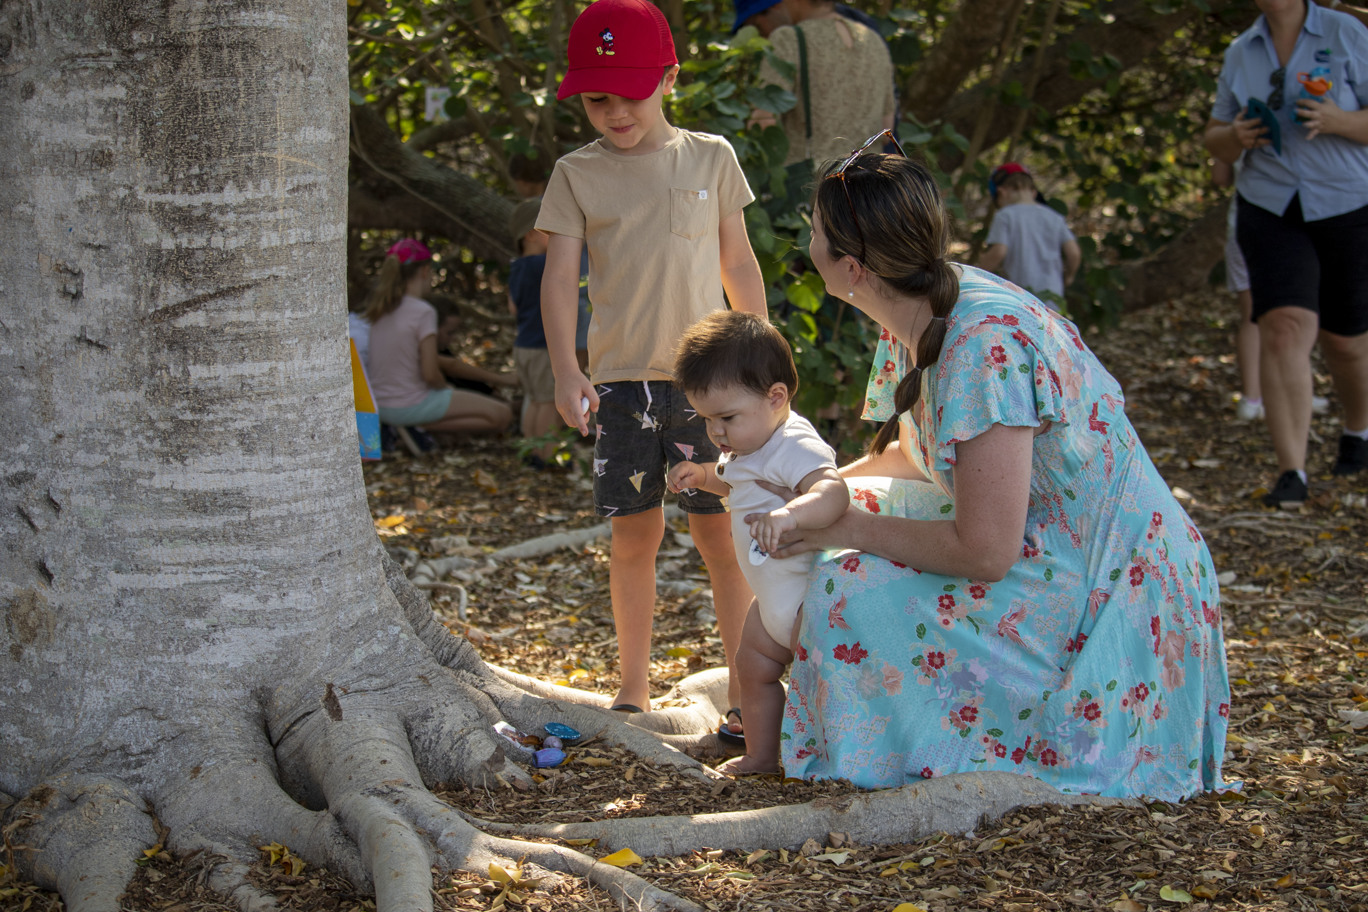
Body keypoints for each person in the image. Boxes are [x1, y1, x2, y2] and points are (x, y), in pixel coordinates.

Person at [761, 136, 1229, 799]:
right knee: (828, 556)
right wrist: (814, 493)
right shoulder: (921, 306)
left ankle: (906, 759)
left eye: (813, 233)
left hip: (1115, 590)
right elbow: (911, 458)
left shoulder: (985, 346)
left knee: (845, 588)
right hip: (1053, 549)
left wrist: (845, 529)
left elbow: (985, 551)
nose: (807, 244)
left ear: (852, 268)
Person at [537, 0, 768, 719]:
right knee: (634, 534)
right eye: (596, 99)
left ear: (669, 78)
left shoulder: (710, 157)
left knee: (720, 536)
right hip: (621, 383)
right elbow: (558, 277)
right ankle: (632, 688)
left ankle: (747, 688)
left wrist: (760, 362)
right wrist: (567, 369)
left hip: (713, 384)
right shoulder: (576, 173)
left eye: (629, 93)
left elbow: (738, 261)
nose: (614, 112)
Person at [666, 311, 848, 771]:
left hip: (810, 596)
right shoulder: (747, 448)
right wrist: (702, 476)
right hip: (771, 598)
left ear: (776, 397)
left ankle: (841, 755)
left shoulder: (792, 442)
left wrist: (791, 513)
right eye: (707, 420)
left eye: (727, 417)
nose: (716, 432)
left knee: (827, 680)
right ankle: (763, 754)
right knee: (751, 669)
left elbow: (833, 490)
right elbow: (734, 485)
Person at [1204, 0, 1368, 507]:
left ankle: (1358, 429)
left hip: (1347, 201)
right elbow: (1215, 138)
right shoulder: (1240, 52)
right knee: (1283, 327)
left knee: (1346, 342)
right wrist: (1234, 136)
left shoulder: (1347, 33)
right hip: (1269, 205)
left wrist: (1340, 120)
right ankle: (1291, 472)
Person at [364, 238, 515, 439]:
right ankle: (419, 427)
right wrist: (447, 389)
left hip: (380, 403)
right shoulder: (422, 311)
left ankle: (413, 427)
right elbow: (430, 373)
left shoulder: (379, 310)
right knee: (503, 415)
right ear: (425, 271)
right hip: (410, 402)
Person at [749, 0, 895, 171]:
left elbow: (763, 122)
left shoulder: (789, 39)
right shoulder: (873, 40)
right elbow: (887, 129)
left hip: (814, 185)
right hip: (867, 185)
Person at [977, 162, 1081, 312]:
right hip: (1052, 295)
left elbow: (998, 252)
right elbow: (1074, 252)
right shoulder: (1054, 217)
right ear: (1033, 192)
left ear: (1001, 192)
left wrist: (977, 274)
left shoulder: (1005, 216)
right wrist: (1069, 276)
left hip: (1020, 296)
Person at [506, 199, 563, 468]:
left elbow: (512, 306)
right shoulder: (543, 265)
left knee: (535, 400)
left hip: (523, 346)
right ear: (531, 234)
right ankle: (546, 455)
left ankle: (529, 449)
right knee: (547, 402)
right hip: (541, 346)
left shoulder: (516, 267)